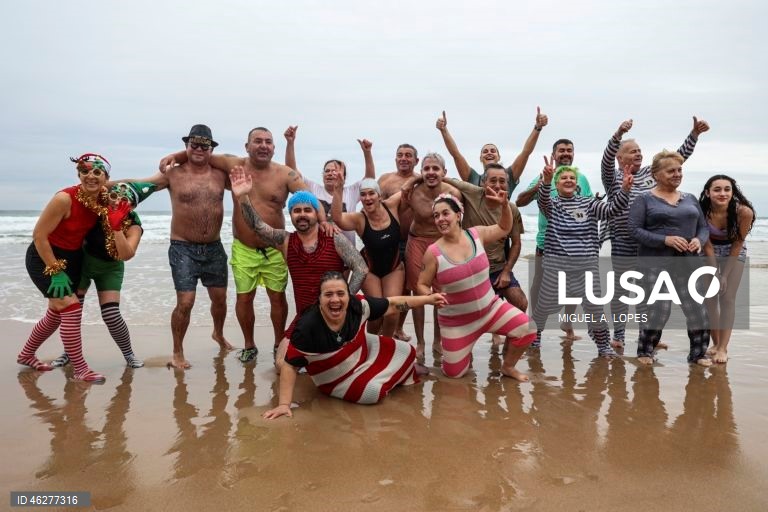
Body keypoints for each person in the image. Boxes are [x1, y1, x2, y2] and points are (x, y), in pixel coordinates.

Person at [160, 126, 329, 363]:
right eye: (257, 141)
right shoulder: (233, 164)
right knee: (244, 298)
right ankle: (249, 345)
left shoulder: (285, 174)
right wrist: (176, 156)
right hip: (244, 247)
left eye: (268, 142)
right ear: (247, 146)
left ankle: (278, 342)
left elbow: (309, 199)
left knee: (277, 297)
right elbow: (200, 153)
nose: (263, 145)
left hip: (275, 248)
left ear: (273, 147)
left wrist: (324, 223)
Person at [229, 167, 368, 370]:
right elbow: (258, 226)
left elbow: (360, 268)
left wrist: (344, 298)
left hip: (337, 314)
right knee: (280, 367)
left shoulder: (333, 238)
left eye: (307, 210)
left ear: (315, 213)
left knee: (339, 367)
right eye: (297, 211)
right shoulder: (285, 241)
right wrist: (243, 198)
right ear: (291, 215)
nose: (302, 215)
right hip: (305, 317)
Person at [263, 271, 447, 419]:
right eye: (328, 294)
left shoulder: (358, 306)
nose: (335, 300)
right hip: (333, 376)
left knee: (408, 350)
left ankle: (388, 373)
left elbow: (393, 304)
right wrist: (283, 405)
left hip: (360, 350)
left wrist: (429, 300)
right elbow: (290, 364)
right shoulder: (307, 327)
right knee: (372, 394)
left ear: (348, 296)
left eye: (340, 294)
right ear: (319, 298)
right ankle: (394, 375)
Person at [601, 116, 710, 348]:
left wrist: (694, 136)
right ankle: (618, 336)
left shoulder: (650, 174)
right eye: (632, 151)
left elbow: (676, 159)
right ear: (620, 158)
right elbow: (606, 159)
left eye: (640, 150)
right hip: (623, 239)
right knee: (622, 289)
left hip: (650, 243)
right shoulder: (612, 177)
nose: (638, 154)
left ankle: (648, 335)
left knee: (647, 293)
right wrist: (618, 133)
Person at [17, 153, 118, 382]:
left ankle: (26, 354)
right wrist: (56, 270)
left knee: (55, 314)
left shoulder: (103, 195)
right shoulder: (64, 199)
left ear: (105, 176)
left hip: (73, 258)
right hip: (45, 256)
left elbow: (132, 185)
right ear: (78, 174)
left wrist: (163, 174)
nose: (90, 176)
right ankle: (80, 369)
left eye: (96, 172)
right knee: (70, 308)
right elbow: (39, 236)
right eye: (84, 171)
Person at [417, 192, 536, 381]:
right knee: (454, 375)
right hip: (457, 322)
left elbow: (504, 227)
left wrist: (504, 205)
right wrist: (431, 297)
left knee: (527, 328)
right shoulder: (433, 252)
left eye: (445, 213)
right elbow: (421, 284)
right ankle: (464, 351)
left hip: (491, 310)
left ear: (458, 215)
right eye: (436, 216)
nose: (440, 219)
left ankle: (508, 367)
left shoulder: (476, 235)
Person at [141, 124, 232, 369]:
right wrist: (107, 188)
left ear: (211, 148)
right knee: (186, 302)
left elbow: (247, 174)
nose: (199, 149)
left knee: (220, 300)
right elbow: (142, 186)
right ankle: (177, 352)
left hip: (214, 247)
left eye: (205, 145)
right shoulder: (173, 173)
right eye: (194, 144)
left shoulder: (220, 174)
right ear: (186, 145)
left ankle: (218, 333)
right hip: (183, 248)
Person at [51, 181, 156, 369]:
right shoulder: (96, 210)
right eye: (114, 196)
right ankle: (69, 353)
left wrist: (116, 228)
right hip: (82, 262)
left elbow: (126, 255)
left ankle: (129, 354)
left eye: (125, 200)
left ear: (132, 206)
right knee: (72, 313)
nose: (117, 202)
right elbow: (90, 185)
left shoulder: (133, 224)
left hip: (110, 268)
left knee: (111, 314)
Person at [532, 159, 631, 357]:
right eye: (563, 178)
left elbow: (612, 210)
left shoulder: (590, 203)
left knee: (595, 309)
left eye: (572, 178)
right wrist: (546, 181)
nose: (568, 180)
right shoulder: (553, 204)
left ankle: (603, 346)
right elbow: (542, 200)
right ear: (557, 184)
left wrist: (625, 190)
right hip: (556, 267)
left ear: (577, 184)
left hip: (586, 267)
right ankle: (536, 337)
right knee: (543, 305)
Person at [628, 150, 712, 367]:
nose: (677, 174)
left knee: (697, 310)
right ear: (656, 174)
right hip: (655, 263)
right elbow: (634, 230)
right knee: (659, 309)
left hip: (688, 263)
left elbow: (703, 228)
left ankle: (698, 354)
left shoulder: (690, 199)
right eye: (671, 171)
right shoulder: (644, 199)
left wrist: (698, 241)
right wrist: (665, 239)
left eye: (679, 170)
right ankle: (645, 350)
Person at [516, 138, 592, 341]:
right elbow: (520, 201)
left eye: (569, 150)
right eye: (561, 150)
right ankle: (535, 326)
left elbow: (590, 208)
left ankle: (567, 322)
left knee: (574, 288)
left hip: (574, 246)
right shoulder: (544, 177)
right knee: (539, 286)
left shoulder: (581, 179)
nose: (566, 153)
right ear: (554, 154)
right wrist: (541, 184)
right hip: (546, 243)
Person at [400, 153, 462, 358]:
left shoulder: (453, 193)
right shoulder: (413, 192)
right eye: (426, 169)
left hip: (441, 244)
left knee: (440, 294)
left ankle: (437, 340)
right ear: (421, 172)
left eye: (436, 168)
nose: (431, 172)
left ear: (444, 172)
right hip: (417, 242)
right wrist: (412, 181)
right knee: (419, 294)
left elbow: (460, 224)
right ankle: (420, 342)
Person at [330, 177, 405, 337]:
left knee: (393, 313)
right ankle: (370, 344)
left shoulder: (391, 205)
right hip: (370, 269)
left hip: (394, 269)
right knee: (376, 314)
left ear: (379, 196)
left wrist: (420, 177)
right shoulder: (359, 219)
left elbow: (407, 189)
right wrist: (338, 190)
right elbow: (337, 218)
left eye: (371, 193)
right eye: (363, 195)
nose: (367, 198)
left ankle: (387, 345)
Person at [284, 125, 375, 244]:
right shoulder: (313, 188)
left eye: (334, 171)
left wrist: (367, 153)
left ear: (344, 176)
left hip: (346, 248)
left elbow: (369, 180)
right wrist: (290, 143)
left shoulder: (351, 192)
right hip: (320, 248)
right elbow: (291, 172)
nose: (330, 174)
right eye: (327, 171)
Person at [699, 175, 755, 363]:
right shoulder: (701, 212)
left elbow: (738, 244)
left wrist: (725, 276)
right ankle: (715, 344)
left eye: (727, 189)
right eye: (717, 189)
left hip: (733, 251)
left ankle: (723, 348)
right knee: (710, 299)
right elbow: (706, 246)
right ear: (708, 193)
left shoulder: (743, 212)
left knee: (728, 298)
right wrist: (716, 274)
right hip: (709, 250)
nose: (722, 193)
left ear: (732, 192)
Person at [436, 108, 548, 197]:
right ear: (480, 158)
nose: (489, 153)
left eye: (493, 151)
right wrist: (443, 130)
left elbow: (526, 152)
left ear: (498, 157)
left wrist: (537, 128)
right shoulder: (472, 178)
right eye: (485, 151)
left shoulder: (509, 175)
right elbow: (455, 154)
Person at [377, 143, 420, 342]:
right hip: (388, 241)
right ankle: (381, 324)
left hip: (412, 240)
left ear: (416, 160)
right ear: (395, 158)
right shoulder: (385, 180)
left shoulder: (421, 180)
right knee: (384, 285)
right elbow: (374, 206)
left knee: (407, 288)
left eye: (408, 155)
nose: (404, 158)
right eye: (400, 155)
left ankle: (399, 327)